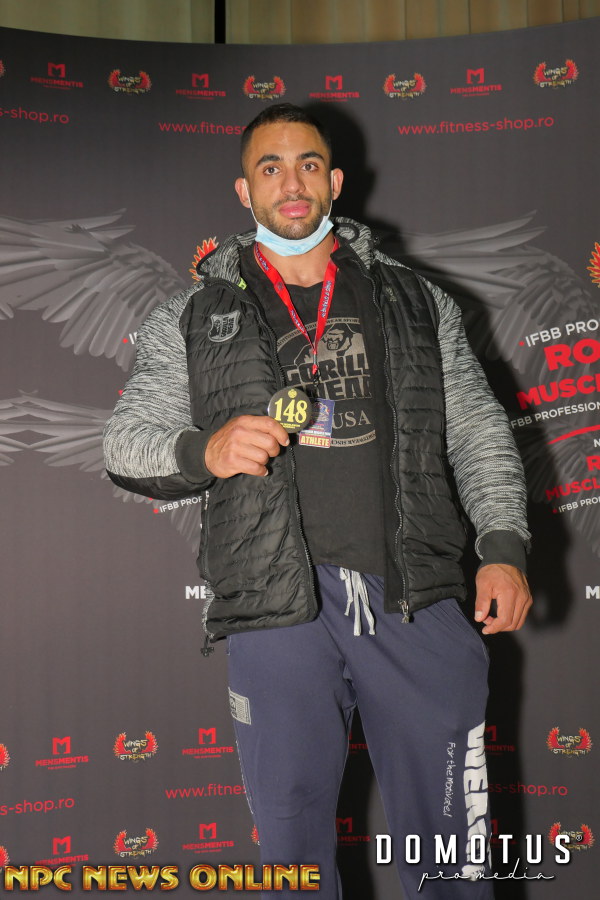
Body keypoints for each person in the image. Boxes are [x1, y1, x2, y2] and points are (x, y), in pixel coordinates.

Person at [103, 103, 532, 898]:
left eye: (307, 164)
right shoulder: (191, 313)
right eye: (269, 167)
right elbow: (125, 443)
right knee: (291, 853)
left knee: (455, 848)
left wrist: (502, 546)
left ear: (334, 181)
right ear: (244, 191)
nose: (290, 182)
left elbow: (477, 430)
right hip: (277, 608)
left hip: (418, 596)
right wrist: (205, 450)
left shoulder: (416, 299)